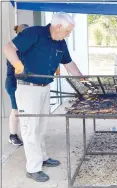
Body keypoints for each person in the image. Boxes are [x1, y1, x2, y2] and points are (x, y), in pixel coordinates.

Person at [3, 13, 83, 182]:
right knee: (30, 128)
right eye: (68, 31)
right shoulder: (34, 33)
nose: (69, 34)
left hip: (45, 87)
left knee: (42, 126)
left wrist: (83, 79)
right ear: (59, 27)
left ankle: (43, 157)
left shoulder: (61, 43)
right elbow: (8, 48)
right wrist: (18, 65)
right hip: (28, 88)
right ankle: (33, 168)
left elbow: (69, 64)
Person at [5, 24, 29, 146]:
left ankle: (24, 133)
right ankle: (12, 135)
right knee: (16, 110)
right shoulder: (15, 49)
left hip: (23, 83)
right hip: (13, 83)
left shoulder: (25, 48)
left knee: (23, 110)